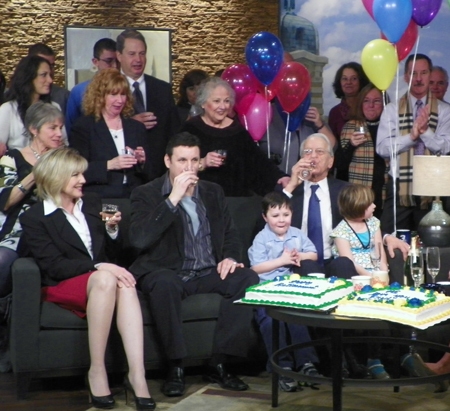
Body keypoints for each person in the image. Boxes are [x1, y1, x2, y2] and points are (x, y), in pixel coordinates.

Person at [19, 148, 155, 410]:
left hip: (99, 279)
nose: (83, 180)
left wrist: (112, 230)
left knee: (125, 285)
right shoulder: (34, 217)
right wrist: (100, 265)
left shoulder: (92, 203)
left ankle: (137, 375)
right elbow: (54, 266)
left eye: (82, 174)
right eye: (75, 175)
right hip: (63, 284)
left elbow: (113, 253)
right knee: (106, 277)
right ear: (56, 177)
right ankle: (97, 370)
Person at [128, 132, 259, 397]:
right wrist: (173, 199)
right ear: (168, 161)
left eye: (194, 161)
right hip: (167, 272)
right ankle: (175, 366)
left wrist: (230, 258)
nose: (188, 168)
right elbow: (140, 240)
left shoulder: (212, 191)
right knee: (164, 282)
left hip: (207, 271)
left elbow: (231, 234)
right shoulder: (146, 193)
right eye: (182, 160)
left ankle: (220, 363)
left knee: (247, 279)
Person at [283, 133, 410, 279]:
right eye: (307, 152)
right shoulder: (289, 192)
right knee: (306, 265)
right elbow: (266, 225)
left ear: (331, 162)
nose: (313, 156)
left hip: (336, 260)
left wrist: (387, 237)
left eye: (319, 152)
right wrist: (291, 186)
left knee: (343, 263)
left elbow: (365, 219)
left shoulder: (346, 191)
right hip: (301, 260)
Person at [0, 101, 64, 373]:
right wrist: (35, 175)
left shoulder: (64, 158)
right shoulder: (12, 158)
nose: (59, 133)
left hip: (53, 231)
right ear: (34, 130)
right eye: (53, 128)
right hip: (18, 229)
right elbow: (5, 201)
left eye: (61, 127)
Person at [248, 191, 321, 392]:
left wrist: (300, 255)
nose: (281, 220)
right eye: (275, 215)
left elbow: (314, 254)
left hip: (291, 289)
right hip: (267, 291)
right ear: (265, 217)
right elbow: (255, 268)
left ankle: (307, 363)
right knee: (270, 322)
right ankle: (282, 367)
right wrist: (282, 260)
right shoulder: (261, 238)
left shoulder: (297, 234)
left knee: (297, 319)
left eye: (286, 215)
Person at [376, 54, 450, 233]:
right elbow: (382, 148)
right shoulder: (392, 109)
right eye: (413, 73)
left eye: (423, 73)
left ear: (429, 75)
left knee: (432, 240)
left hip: (433, 187)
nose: (418, 79)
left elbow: (445, 147)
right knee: (390, 237)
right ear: (405, 77)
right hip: (400, 187)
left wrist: (425, 133)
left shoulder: (445, 110)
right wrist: (411, 137)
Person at [182, 76, 289, 196]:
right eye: (216, 101)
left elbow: (259, 161)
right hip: (200, 197)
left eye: (227, 101)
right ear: (203, 103)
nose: (223, 107)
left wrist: (280, 176)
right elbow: (177, 164)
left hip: (236, 201)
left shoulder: (237, 130)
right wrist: (202, 162)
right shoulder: (191, 129)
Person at [69, 68, 153, 198]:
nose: (120, 100)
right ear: (100, 96)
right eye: (113, 94)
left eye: (123, 94)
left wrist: (142, 161)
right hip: (100, 198)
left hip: (134, 198)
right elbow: (76, 170)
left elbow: (150, 173)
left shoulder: (136, 128)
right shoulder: (84, 127)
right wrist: (110, 165)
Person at [116, 29, 175, 177]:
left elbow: (173, 132)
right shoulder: (108, 90)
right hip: (122, 174)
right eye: (132, 54)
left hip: (159, 173)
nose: (138, 59)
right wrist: (129, 124)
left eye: (142, 54)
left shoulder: (163, 89)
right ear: (119, 56)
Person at [334, 83, 388, 218]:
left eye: (376, 101)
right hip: (359, 198)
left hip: (385, 195)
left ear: (384, 104)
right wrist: (351, 145)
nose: (371, 105)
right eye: (366, 101)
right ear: (360, 104)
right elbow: (339, 165)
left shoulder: (390, 127)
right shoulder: (351, 127)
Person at [0, 55, 67, 156]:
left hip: (51, 165)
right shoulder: (8, 109)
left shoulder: (54, 107)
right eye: (44, 75)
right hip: (19, 167)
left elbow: (64, 142)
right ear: (29, 77)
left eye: (50, 75)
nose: (50, 80)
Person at [259, 104, 336, 173]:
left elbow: (332, 146)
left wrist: (319, 124)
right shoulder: (268, 114)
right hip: (278, 180)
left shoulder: (311, 118)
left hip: (309, 180)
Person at [65, 38, 118, 132]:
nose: (115, 66)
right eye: (109, 61)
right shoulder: (79, 92)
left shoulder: (126, 89)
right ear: (95, 62)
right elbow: (71, 129)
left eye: (117, 61)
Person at [328, 62, 370, 141]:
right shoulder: (335, 113)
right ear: (339, 82)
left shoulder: (370, 107)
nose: (348, 82)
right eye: (344, 79)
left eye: (354, 78)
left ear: (361, 81)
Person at [28, 43, 70, 114]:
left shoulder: (63, 96)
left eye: (52, 65)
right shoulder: (10, 104)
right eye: (44, 64)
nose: (50, 70)